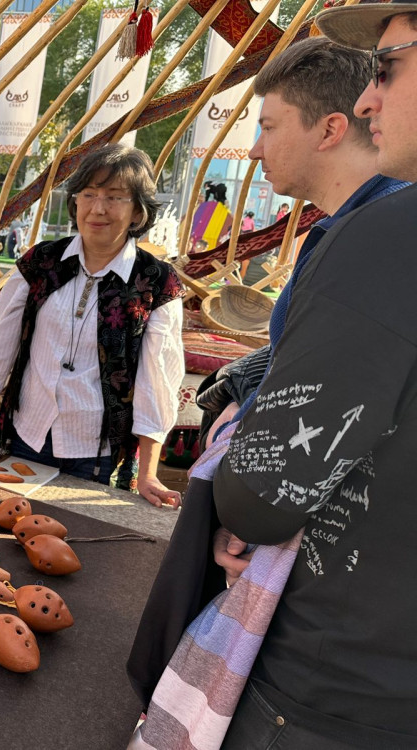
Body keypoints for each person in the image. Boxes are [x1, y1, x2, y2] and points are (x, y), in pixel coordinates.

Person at [213, 8, 417, 746]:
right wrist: (248, 386)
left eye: (388, 68)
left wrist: (241, 491)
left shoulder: (387, 238)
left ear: (326, 130)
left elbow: (264, 494)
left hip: (340, 676)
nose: (368, 99)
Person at [0, 144, 184, 508]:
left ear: (137, 211)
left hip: (96, 451)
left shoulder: (156, 283)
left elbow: (156, 381)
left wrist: (147, 472)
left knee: (72, 536)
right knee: (9, 523)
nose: (98, 208)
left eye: (114, 197)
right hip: (27, 434)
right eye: (89, 194)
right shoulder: (42, 262)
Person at [204, 36, 408, 444]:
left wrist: (232, 435)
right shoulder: (356, 227)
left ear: (330, 130)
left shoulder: (375, 242)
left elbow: (329, 403)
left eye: (268, 128)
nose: (255, 151)